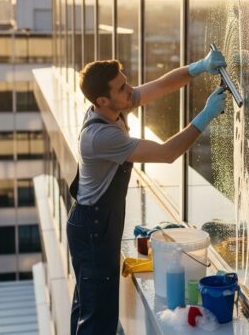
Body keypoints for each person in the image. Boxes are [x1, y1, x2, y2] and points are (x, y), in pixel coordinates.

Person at [68, 49, 227, 334]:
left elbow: (162, 85)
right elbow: (167, 153)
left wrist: (200, 66)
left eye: (126, 82)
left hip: (93, 224)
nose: (130, 91)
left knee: (88, 305)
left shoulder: (111, 106)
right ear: (102, 100)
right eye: (122, 88)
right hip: (93, 228)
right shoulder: (101, 136)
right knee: (98, 316)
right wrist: (205, 116)